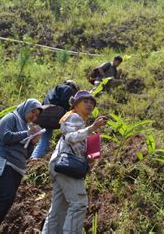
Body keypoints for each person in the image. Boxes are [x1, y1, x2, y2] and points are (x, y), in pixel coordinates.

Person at [42, 91, 108, 233]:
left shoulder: (78, 121)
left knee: (58, 210)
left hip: (59, 164)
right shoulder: (74, 117)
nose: (89, 104)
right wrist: (92, 128)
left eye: (92, 103)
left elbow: (75, 144)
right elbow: (70, 137)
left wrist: (89, 157)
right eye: (85, 101)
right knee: (79, 203)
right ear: (76, 104)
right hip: (66, 165)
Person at [0, 99, 44, 234]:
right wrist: (28, 134)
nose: (33, 117)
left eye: (36, 116)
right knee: (6, 195)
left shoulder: (25, 127)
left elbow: (26, 154)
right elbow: (5, 136)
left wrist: (33, 142)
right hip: (2, 162)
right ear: (26, 107)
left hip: (16, 168)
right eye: (32, 112)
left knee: (7, 199)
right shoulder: (12, 117)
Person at [31, 80, 79, 159]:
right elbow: (65, 101)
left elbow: (43, 104)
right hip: (55, 115)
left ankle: (35, 157)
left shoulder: (53, 90)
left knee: (45, 138)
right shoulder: (67, 88)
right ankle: (65, 155)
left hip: (44, 115)